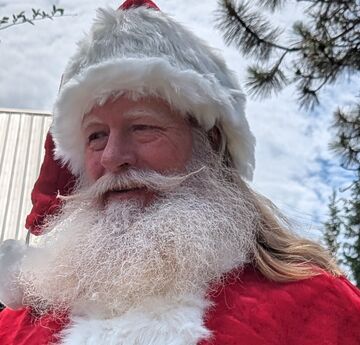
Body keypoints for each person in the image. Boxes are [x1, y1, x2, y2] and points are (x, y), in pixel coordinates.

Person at [0, 0, 359, 344]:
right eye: (96, 135)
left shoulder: (322, 310)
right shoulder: (16, 328)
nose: (112, 156)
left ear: (211, 143)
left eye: (142, 127)